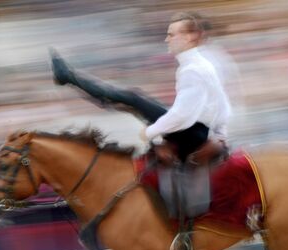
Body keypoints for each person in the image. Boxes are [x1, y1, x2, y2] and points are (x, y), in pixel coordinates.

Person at [51, 11, 233, 164]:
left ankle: (68, 77)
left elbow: (182, 116)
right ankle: (71, 78)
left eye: (171, 35)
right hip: (196, 132)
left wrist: (149, 133)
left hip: (192, 134)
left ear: (189, 38)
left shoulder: (193, 69)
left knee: (133, 98)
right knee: (134, 100)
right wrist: (220, 134)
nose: (166, 40)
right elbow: (222, 103)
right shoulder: (199, 65)